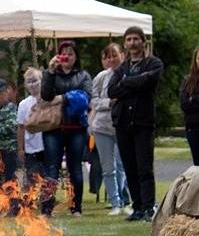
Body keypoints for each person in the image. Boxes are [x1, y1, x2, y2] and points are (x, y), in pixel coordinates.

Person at [108, 26, 163, 222]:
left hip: (143, 122)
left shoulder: (153, 63)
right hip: (123, 123)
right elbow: (111, 91)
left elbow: (149, 82)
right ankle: (137, 206)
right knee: (129, 167)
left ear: (143, 41)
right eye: (129, 39)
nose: (132, 42)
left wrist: (126, 83)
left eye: (135, 39)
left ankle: (149, 207)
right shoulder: (121, 68)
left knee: (144, 167)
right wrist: (133, 83)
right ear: (125, 43)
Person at [41, 40, 92, 217]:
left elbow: (85, 98)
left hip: (76, 127)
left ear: (76, 57)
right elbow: (46, 95)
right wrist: (49, 71)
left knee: (75, 168)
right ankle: (46, 208)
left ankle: (76, 207)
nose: (67, 56)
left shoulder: (84, 75)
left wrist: (62, 97)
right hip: (53, 127)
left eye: (71, 53)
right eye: (64, 53)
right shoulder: (52, 74)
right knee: (51, 168)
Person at [91, 43, 130, 215]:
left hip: (122, 125)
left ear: (122, 55)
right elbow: (93, 101)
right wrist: (109, 103)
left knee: (123, 165)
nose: (111, 59)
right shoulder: (100, 77)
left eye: (114, 55)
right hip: (102, 127)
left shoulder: (128, 74)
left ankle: (123, 199)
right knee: (108, 167)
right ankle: (115, 203)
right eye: (107, 56)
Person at [16, 68, 45, 197]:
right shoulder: (23, 104)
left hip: (46, 145)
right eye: (29, 82)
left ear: (41, 81)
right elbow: (21, 127)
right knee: (32, 176)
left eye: (35, 81)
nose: (32, 84)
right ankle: (29, 202)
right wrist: (20, 148)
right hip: (30, 148)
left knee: (47, 176)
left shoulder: (47, 99)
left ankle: (47, 201)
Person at [0, 79, 18, 186]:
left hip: (9, 151)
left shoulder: (11, 108)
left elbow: (11, 126)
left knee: (9, 182)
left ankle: (13, 202)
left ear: (6, 92)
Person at [179, 45, 199, 165]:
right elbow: (184, 104)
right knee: (197, 166)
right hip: (193, 129)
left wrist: (193, 99)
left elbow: (190, 102)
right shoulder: (188, 81)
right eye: (198, 58)